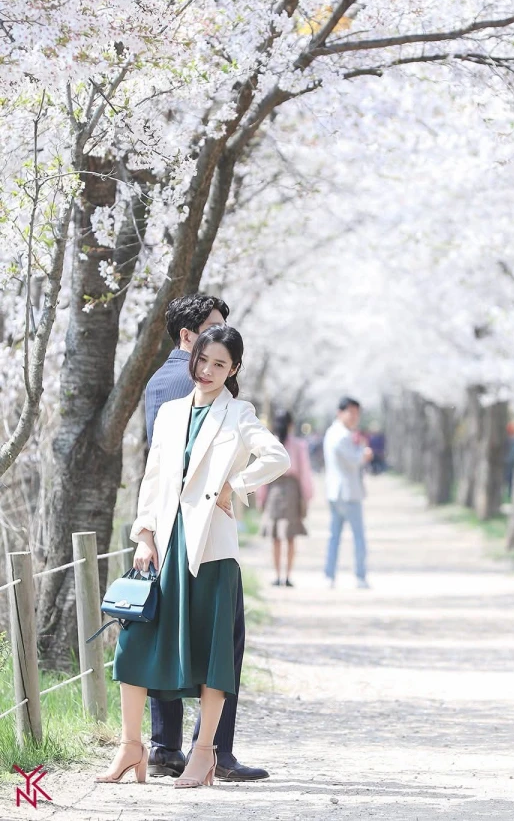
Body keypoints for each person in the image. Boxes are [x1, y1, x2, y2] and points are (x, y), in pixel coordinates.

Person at [96, 324, 290, 787]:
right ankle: (131, 746)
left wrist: (234, 486)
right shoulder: (170, 413)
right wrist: (144, 535)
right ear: (193, 355)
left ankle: (204, 754)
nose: (206, 370)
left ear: (233, 369)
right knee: (134, 645)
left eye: (219, 364)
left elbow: (276, 457)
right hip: (165, 545)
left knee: (211, 652)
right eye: (202, 359)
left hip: (212, 551)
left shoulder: (238, 413)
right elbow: (152, 478)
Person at [144, 294, 270, 783]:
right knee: (219, 643)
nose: (214, 360)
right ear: (188, 338)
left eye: (223, 359)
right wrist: (230, 488)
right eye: (212, 329)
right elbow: (173, 467)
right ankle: (214, 750)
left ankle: (164, 747)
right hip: (198, 534)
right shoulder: (193, 388)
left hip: (171, 529)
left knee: (170, 635)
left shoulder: (158, 380)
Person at [257, 410, 314, 587]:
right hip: (291, 490)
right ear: (291, 425)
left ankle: (277, 575)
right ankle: (287, 576)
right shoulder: (298, 445)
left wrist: (261, 497)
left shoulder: (269, 443)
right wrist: (307, 495)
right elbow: (304, 472)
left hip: (273, 489)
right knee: (290, 536)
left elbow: (262, 471)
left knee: (275, 537)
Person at [323, 397, 373, 588]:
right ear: (340, 412)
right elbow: (354, 460)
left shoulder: (332, 432)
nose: (354, 417)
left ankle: (329, 575)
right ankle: (360, 576)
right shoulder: (342, 435)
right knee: (358, 536)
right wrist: (365, 453)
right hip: (348, 493)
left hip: (335, 492)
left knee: (334, 537)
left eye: (357, 413)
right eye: (351, 412)